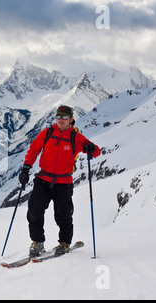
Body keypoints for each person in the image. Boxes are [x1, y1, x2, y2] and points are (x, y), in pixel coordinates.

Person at [18, 105, 101, 257]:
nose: (60, 120)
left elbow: (96, 151)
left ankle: (64, 242)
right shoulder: (48, 132)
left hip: (63, 182)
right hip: (43, 178)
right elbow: (34, 150)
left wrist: (91, 148)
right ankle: (38, 242)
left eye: (64, 117)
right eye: (58, 117)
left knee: (64, 214)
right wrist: (26, 168)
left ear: (71, 119)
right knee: (34, 210)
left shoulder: (75, 137)